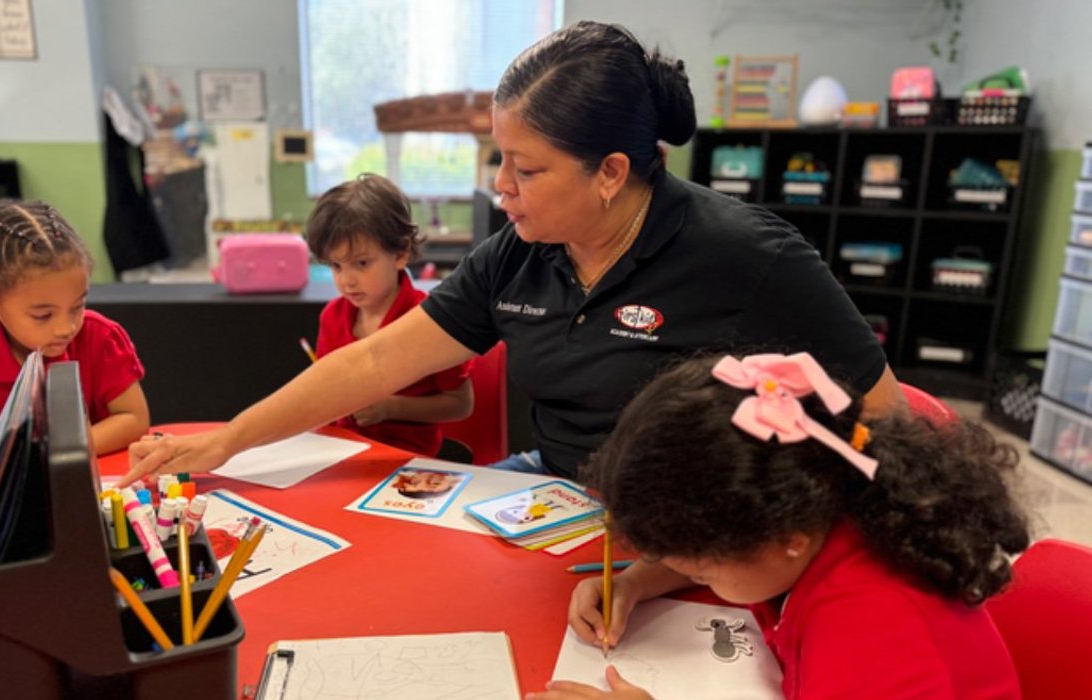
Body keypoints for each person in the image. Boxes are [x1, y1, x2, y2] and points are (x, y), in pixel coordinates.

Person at [121, 21, 902, 485]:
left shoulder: (746, 255)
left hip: (686, 516)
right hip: (547, 492)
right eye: (499, 160)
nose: (501, 187)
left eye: (525, 170)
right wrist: (223, 443)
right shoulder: (519, 254)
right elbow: (367, 366)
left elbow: (881, 416)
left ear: (610, 174)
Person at [538, 352, 1028, 700]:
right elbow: (728, 554)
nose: (692, 573)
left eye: (704, 572)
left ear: (784, 538)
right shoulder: (830, 502)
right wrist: (634, 583)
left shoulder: (873, 633)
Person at [0, 200, 150, 455]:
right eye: (43, 315)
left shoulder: (100, 337)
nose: (66, 328)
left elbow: (133, 418)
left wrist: (58, 452)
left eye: (77, 307)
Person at [307, 174, 473, 457]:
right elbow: (323, 393)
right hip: (340, 453)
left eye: (361, 263)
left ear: (400, 253)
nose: (347, 280)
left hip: (408, 461)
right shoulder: (332, 317)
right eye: (336, 266)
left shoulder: (430, 320)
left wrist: (389, 407)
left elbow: (461, 404)